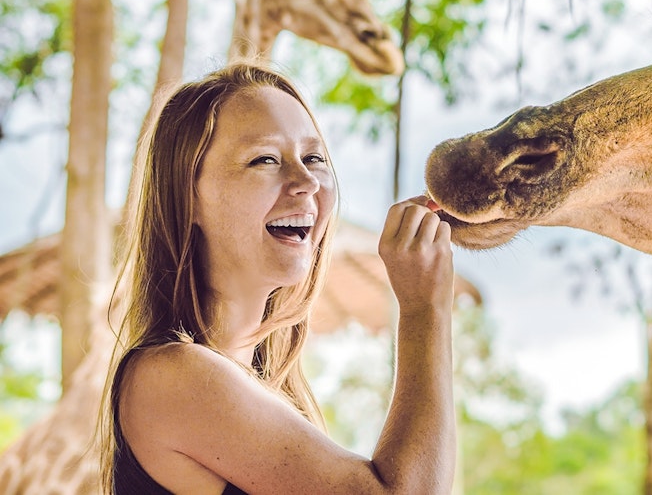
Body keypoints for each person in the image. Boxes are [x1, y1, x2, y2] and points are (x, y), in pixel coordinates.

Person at [100, 63, 456, 494]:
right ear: (187, 195)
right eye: (264, 159)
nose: (305, 181)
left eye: (314, 158)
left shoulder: (271, 393)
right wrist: (424, 309)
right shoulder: (171, 375)